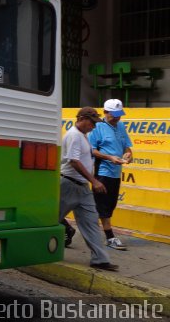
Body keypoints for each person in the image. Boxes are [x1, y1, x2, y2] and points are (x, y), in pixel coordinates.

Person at [59, 106, 118, 271]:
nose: (94, 126)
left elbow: (88, 153)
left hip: (82, 188)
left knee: (91, 222)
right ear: (82, 119)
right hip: (69, 185)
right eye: (92, 122)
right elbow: (73, 161)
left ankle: (100, 259)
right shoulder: (73, 135)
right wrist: (94, 181)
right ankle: (34, 250)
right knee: (50, 219)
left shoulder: (83, 136)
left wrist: (109, 157)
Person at [89, 99, 133, 251]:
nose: (117, 118)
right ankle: (110, 237)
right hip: (102, 173)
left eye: (119, 115)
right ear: (105, 112)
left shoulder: (120, 126)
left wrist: (128, 154)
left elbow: (127, 147)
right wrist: (110, 157)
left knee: (109, 205)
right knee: (102, 206)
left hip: (115, 173)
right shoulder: (97, 127)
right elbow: (92, 150)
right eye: (113, 115)